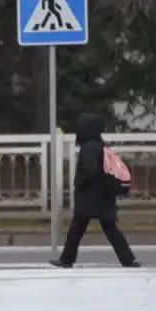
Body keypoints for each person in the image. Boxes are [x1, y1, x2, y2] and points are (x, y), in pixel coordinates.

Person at [50, 113, 139, 268]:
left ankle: (66, 260)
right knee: (108, 228)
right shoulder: (100, 145)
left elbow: (91, 172)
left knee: (78, 230)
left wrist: (79, 182)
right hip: (102, 195)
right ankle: (128, 259)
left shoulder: (88, 147)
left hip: (90, 196)